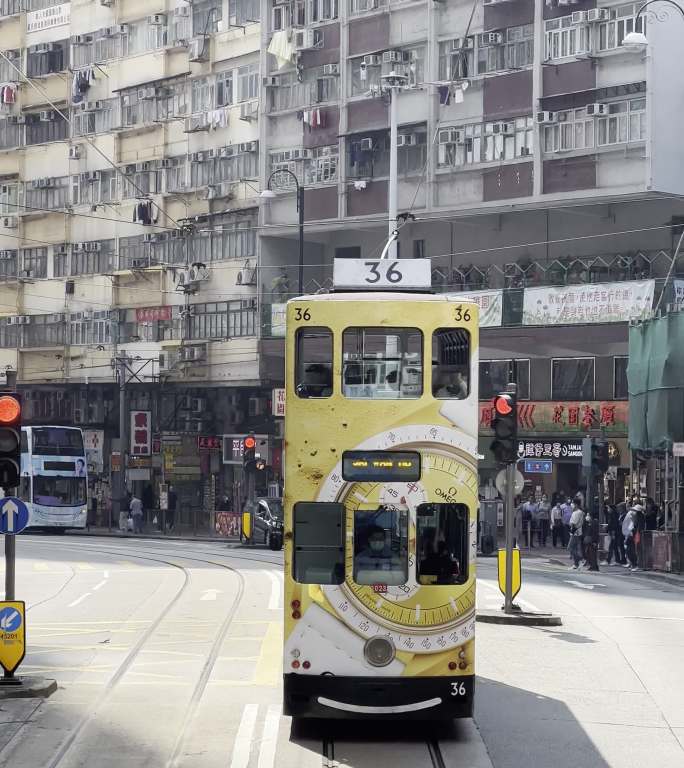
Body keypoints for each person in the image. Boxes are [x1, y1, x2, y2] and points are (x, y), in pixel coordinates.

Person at [622, 503, 641, 571]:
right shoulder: (633, 519)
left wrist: (632, 532)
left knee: (632, 551)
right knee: (629, 550)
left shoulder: (638, 519)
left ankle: (635, 564)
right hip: (631, 536)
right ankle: (633, 564)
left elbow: (636, 528)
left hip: (634, 536)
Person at [568, 500, 584, 569]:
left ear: (576, 505)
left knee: (570, 547)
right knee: (574, 548)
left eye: (572, 504)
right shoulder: (575, 512)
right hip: (574, 532)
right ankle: (576, 564)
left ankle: (581, 559)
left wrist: (571, 524)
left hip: (576, 532)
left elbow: (573, 523)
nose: (571, 505)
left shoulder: (578, 512)